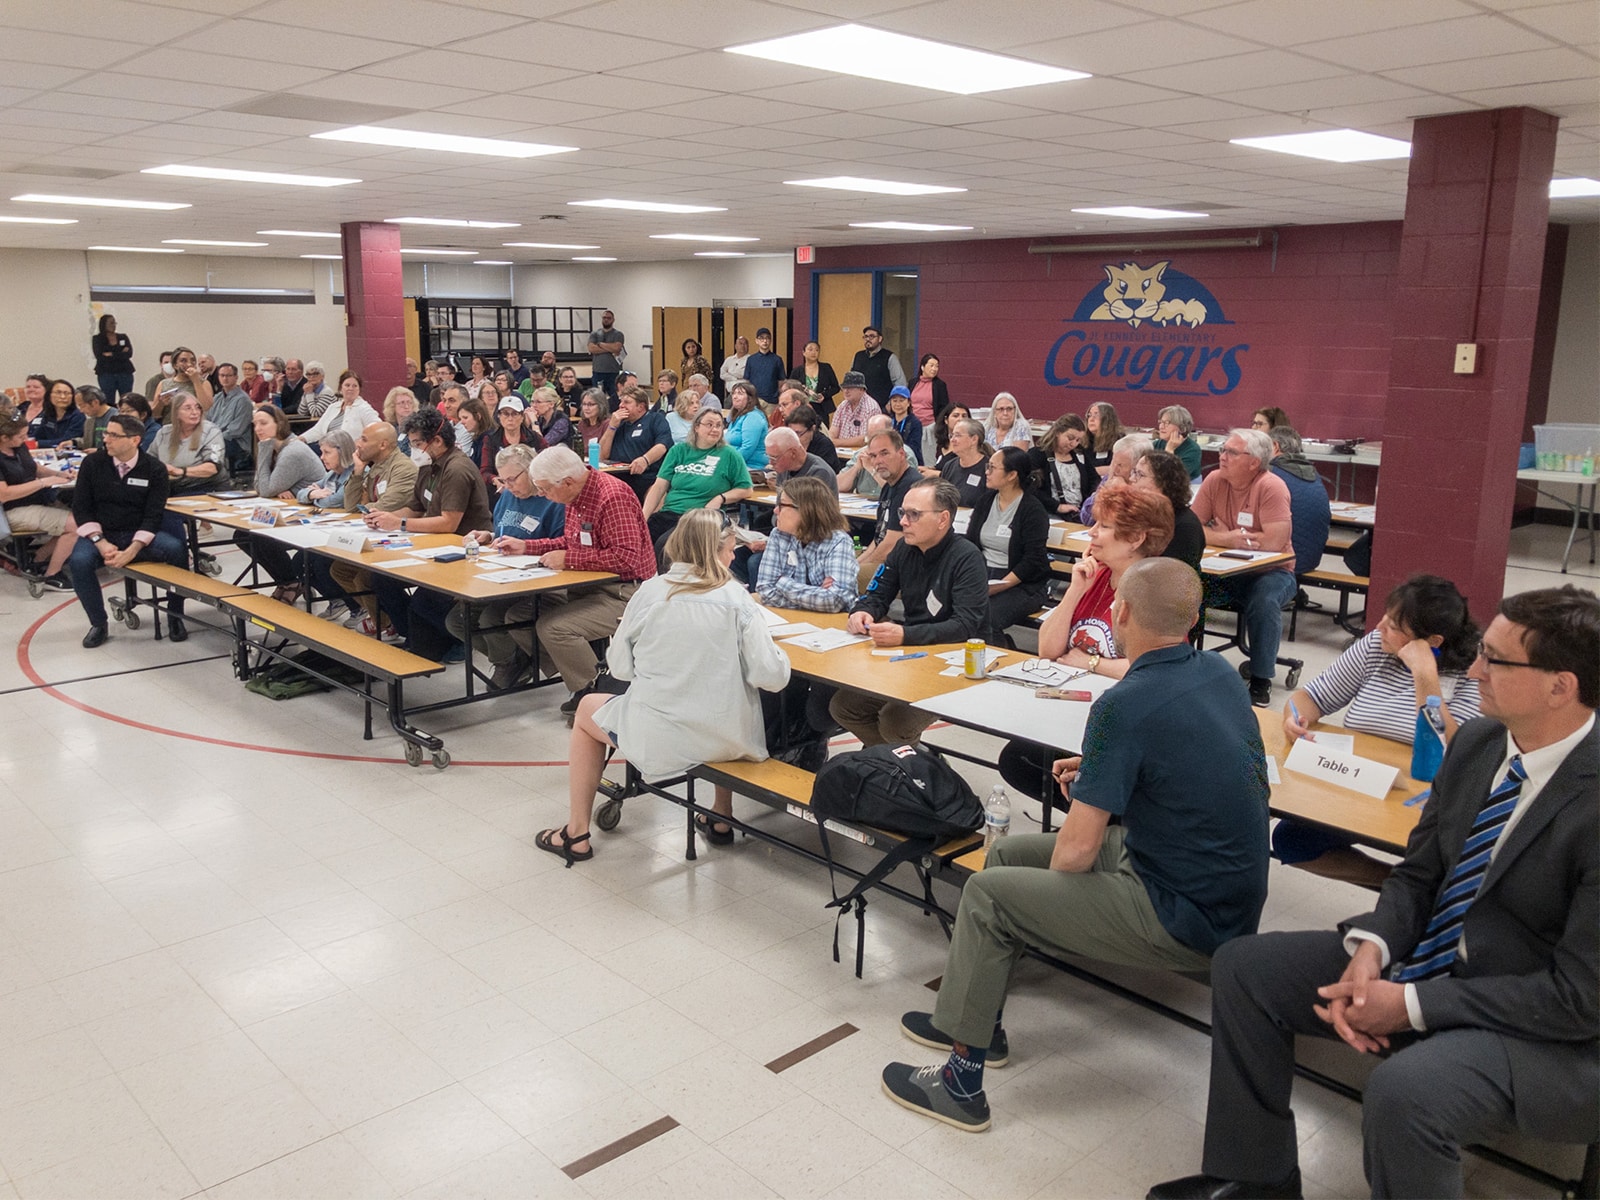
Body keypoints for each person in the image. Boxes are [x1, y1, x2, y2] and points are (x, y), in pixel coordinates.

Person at [1150, 587, 1598, 1200]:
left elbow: (1579, 998)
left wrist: (1411, 1005)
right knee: (1244, 968)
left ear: (1560, 686)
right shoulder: (1477, 744)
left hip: (1546, 1026)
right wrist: (1374, 946)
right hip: (1437, 964)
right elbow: (1419, 874)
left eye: (1496, 660)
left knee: (1406, 1093)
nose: (1473, 670)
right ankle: (1256, 1177)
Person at [887, 558, 1270, 1133]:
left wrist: (1097, 780)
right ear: (1194, 619)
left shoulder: (1122, 704)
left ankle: (962, 1084)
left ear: (1120, 612)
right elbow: (1184, 763)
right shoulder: (1216, 673)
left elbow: (1074, 856)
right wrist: (1098, 771)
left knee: (990, 892)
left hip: (1182, 911)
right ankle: (977, 1019)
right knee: (1009, 854)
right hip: (1216, 883)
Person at [538, 509, 791, 865]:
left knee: (586, 711)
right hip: (729, 740)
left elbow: (621, 669)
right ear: (712, 551)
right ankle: (720, 814)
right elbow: (772, 678)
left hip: (661, 741)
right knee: (722, 698)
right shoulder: (738, 600)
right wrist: (776, 651)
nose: (734, 556)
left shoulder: (650, 593)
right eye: (730, 549)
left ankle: (576, 831)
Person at [1273, 575, 1483, 888]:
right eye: (1385, 616)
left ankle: (1417, 891)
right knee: (1292, 839)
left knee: (1444, 856)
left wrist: (1424, 676)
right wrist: (1294, 718)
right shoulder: (1376, 645)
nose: (1380, 626)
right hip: (1361, 779)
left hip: (1426, 794)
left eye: (1395, 626)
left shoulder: (1474, 671)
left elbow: (1454, 747)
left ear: (1433, 642)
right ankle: (1399, 886)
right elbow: (1311, 698)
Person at [995, 487, 1175, 800]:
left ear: (1136, 539)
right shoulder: (1098, 577)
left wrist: (1091, 663)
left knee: (1026, 761)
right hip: (1077, 708)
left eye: (1103, 526)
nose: (1091, 532)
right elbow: (1048, 650)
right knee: (1017, 759)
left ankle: (1103, 825)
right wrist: (1076, 589)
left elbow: (1156, 669)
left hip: (1125, 721)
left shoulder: (1155, 590)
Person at [498, 446, 657, 719]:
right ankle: (582, 675)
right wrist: (527, 546)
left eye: (546, 489)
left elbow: (627, 559)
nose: (543, 496)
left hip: (626, 592)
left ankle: (599, 695)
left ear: (568, 481)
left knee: (553, 628)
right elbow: (570, 542)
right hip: (586, 586)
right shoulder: (574, 495)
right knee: (518, 615)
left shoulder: (612, 497)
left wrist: (569, 559)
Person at [830, 479, 990, 746]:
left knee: (896, 722)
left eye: (914, 514)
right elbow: (876, 594)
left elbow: (966, 626)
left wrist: (904, 634)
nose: (903, 521)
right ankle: (902, 764)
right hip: (912, 655)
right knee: (844, 706)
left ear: (943, 519)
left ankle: (907, 770)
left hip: (956, 660)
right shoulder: (904, 549)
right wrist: (862, 612)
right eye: (902, 513)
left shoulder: (967, 558)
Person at [365, 409, 494, 661]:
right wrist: (382, 516)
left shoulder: (456, 468)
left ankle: (454, 643)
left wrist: (399, 523)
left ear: (436, 440)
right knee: (381, 579)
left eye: (417, 443)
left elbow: (448, 522)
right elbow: (415, 508)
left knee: (425, 600)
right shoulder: (427, 465)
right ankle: (414, 638)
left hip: (463, 549)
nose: (413, 449)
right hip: (431, 543)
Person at [446, 443, 567, 690]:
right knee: (457, 620)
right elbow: (503, 531)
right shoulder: (508, 496)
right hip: (501, 573)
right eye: (503, 480)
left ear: (532, 471)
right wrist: (488, 536)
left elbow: (562, 546)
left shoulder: (553, 501)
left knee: (492, 619)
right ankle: (515, 658)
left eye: (513, 479)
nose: (508, 486)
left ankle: (509, 662)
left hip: (538, 579)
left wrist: (525, 546)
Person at [1193, 428, 1297, 707]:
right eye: (1222, 450)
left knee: (1263, 601)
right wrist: (1227, 537)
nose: (1222, 457)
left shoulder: (1271, 486)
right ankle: (1186, 664)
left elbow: (1275, 543)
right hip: (1226, 569)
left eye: (1231, 452)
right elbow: (1192, 529)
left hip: (1274, 572)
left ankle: (1261, 680)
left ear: (1254, 462)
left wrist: (1216, 534)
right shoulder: (1215, 480)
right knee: (1186, 587)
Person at [68, 413, 190, 647]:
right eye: (106, 433)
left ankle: (175, 616)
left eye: (114, 435)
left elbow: (154, 515)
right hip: (102, 534)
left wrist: (133, 549)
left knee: (176, 549)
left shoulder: (154, 469)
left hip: (139, 535)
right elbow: (81, 509)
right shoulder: (93, 464)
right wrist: (100, 541)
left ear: (135, 440)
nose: (106, 440)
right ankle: (98, 623)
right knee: (79, 562)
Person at [321, 422, 418, 636]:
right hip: (373, 533)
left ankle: (391, 622)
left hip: (400, 537)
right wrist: (357, 472)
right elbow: (351, 505)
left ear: (383, 444)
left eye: (364, 439)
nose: (358, 443)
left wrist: (364, 507)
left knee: (364, 576)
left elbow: (381, 507)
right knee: (339, 569)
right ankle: (383, 619)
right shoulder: (372, 465)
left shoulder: (402, 468)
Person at [964, 445, 1050, 645]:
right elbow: (970, 543)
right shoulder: (985, 501)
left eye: (992, 468)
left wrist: (999, 586)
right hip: (984, 576)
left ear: (1012, 475)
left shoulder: (1032, 510)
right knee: (953, 607)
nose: (986, 472)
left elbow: (1032, 561)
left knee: (986, 617)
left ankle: (1001, 653)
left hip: (1020, 583)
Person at [640, 408, 752, 546]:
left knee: (666, 545)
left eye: (718, 425)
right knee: (639, 539)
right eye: (709, 424)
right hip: (670, 513)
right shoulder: (678, 451)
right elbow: (658, 487)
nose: (715, 429)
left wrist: (720, 498)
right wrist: (643, 518)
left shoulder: (729, 454)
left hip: (700, 518)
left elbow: (746, 489)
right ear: (696, 427)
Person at [0, 412, 77, 586]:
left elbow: (33, 467)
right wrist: (43, 483)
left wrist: (59, 474)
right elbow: (4, 494)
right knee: (76, 526)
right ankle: (52, 574)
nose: (25, 439)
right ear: (4, 438)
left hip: (35, 500)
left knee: (84, 518)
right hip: (12, 509)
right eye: (21, 436)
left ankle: (37, 558)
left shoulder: (17, 447)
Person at [855, 428, 919, 590]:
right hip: (886, 557)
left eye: (885, 453)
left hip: (907, 565)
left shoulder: (910, 487)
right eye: (873, 456)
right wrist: (857, 563)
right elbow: (878, 540)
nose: (878, 461)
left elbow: (890, 545)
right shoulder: (889, 486)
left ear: (902, 454)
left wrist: (857, 569)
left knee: (851, 578)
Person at [1268, 424, 1333, 584]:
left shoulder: (1272, 474)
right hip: (1311, 558)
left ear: (1275, 446)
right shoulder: (1313, 473)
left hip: (1285, 561)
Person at [1132, 448, 1205, 573]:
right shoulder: (1139, 513)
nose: (1132, 479)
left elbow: (1168, 576)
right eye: (1134, 472)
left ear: (1163, 483)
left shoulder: (1185, 525)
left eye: (1140, 475)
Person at [600, 386, 674, 502]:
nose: (621, 406)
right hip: (619, 478)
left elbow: (662, 445)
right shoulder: (619, 425)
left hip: (648, 477)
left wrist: (645, 460)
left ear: (641, 407)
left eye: (627, 402)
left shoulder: (655, 419)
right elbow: (601, 456)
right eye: (621, 402)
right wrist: (611, 426)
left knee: (656, 492)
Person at [155, 394, 228, 496]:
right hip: (169, 487)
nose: (195, 412)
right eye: (188, 408)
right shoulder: (163, 433)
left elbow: (213, 468)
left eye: (197, 407)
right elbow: (149, 461)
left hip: (203, 487)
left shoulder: (211, 431)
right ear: (176, 413)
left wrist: (180, 471)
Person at [249, 405, 323, 501]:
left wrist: (263, 451)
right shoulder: (275, 448)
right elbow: (258, 486)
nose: (257, 429)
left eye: (263, 423)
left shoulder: (292, 452)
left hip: (317, 505)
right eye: (255, 424)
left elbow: (265, 492)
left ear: (279, 424)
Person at [1029, 413, 1093, 520]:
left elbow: (1093, 479)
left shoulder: (1080, 453)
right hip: (1049, 510)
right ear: (1058, 432)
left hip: (1079, 511)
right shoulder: (1037, 455)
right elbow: (1031, 489)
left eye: (1078, 440)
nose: (1073, 444)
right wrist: (1057, 506)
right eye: (1070, 438)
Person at [926, 418, 994, 508]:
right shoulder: (949, 466)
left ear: (974, 439)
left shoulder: (989, 468)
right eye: (952, 435)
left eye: (957, 435)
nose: (952, 440)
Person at [303, 371, 380, 446]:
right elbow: (318, 430)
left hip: (349, 453)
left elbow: (378, 428)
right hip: (327, 448)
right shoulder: (333, 407)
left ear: (359, 389)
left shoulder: (363, 408)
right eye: (347, 385)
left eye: (355, 386)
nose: (350, 388)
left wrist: (361, 443)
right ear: (340, 388)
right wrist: (301, 439)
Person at [479, 396, 543, 486]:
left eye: (515, 413)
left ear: (522, 417)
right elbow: (485, 472)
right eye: (505, 414)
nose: (510, 418)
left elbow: (546, 461)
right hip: (502, 489)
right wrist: (494, 479)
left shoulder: (534, 438)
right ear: (499, 416)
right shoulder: (490, 440)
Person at [209, 363, 253, 475]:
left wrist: (213, 439)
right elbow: (208, 420)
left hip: (236, 443)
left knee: (210, 447)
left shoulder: (243, 400)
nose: (225, 378)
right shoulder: (217, 398)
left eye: (228, 375)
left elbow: (236, 430)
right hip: (218, 438)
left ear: (236, 377)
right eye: (222, 375)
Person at [763, 426, 836, 491]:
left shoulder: (819, 472)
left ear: (793, 453)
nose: (771, 462)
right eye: (769, 457)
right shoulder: (784, 469)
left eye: (774, 458)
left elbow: (809, 505)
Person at [909, 352, 949, 466]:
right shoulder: (913, 382)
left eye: (937, 366)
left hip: (929, 427)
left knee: (928, 459)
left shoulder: (940, 385)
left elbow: (944, 408)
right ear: (922, 367)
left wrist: (936, 425)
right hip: (913, 425)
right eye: (931, 365)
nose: (934, 369)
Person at [850, 325, 907, 405]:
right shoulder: (858, 356)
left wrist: (891, 403)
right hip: (859, 406)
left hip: (881, 407)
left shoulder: (889, 357)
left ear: (880, 339)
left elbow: (900, 384)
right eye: (866, 337)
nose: (868, 339)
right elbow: (850, 381)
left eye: (872, 336)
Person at [724, 380, 771, 471]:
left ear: (750, 398)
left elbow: (748, 447)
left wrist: (729, 463)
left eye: (740, 394)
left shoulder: (753, 417)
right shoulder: (739, 415)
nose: (735, 397)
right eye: (733, 393)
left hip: (751, 466)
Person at [787, 340, 839, 420]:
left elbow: (836, 387)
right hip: (803, 407)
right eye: (810, 349)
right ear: (803, 352)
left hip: (822, 407)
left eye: (817, 350)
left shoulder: (826, 368)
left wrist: (824, 395)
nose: (814, 352)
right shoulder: (797, 371)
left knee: (822, 430)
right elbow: (790, 389)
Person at [829, 370, 882, 449]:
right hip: (839, 453)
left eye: (850, 388)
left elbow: (865, 439)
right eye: (844, 388)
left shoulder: (871, 408)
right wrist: (831, 441)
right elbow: (832, 432)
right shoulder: (842, 406)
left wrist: (835, 442)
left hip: (861, 454)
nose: (846, 391)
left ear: (861, 389)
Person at [28, 379, 85, 449]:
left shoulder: (78, 416)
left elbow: (66, 440)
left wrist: (39, 443)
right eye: (58, 392)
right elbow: (38, 435)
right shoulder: (48, 414)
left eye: (67, 393)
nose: (63, 397)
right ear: (49, 395)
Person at [785, 403, 840, 472]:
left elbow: (821, 474)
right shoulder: (789, 442)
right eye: (792, 433)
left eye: (798, 433)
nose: (795, 437)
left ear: (812, 428)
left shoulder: (824, 445)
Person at [91, 314, 135, 401]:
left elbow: (129, 354)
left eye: (115, 323)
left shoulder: (123, 337)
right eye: (111, 323)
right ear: (104, 324)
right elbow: (100, 356)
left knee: (126, 399)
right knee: (108, 400)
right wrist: (121, 353)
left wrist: (111, 354)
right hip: (106, 373)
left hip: (124, 373)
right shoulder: (98, 339)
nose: (114, 325)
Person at [1156, 404, 1202, 479]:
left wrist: (1169, 450)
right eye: (1160, 422)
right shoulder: (1158, 444)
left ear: (1182, 428)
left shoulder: (1193, 450)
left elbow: (1174, 477)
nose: (1161, 426)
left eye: (1167, 423)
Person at [586, 310, 625, 399]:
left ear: (613, 320)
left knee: (615, 397)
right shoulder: (595, 334)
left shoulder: (618, 334)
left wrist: (601, 344)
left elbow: (617, 348)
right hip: (598, 372)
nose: (606, 320)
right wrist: (610, 349)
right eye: (604, 318)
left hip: (613, 372)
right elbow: (591, 348)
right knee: (598, 398)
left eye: (609, 318)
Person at [742, 327, 785, 403]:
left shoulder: (777, 360)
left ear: (771, 341)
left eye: (767, 338)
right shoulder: (751, 359)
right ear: (756, 341)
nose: (765, 341)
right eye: (761, 338)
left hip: (772, 401)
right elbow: (747, 381)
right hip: (754, 400)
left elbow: (781, 382)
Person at [885, 385, 924, 465]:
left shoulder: (915, 423)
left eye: (901, 401)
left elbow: (914, 447)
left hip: (910, 461)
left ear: (909, 403)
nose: (898, 404)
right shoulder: (887, 421)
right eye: (894, 401)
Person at [1083, 401, 1123, 478]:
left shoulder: (1119, 441)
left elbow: (1120, 468)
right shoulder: (1083, 441)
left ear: (1108, 419)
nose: (1091, 419)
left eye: (1096, 415)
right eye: (1089, 415)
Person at [528, 385, 573, 451]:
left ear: (551, 404)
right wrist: (526, 422)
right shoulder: (541, 419)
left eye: (538, 402)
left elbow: (543, 445)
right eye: (532, 401)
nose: (534, 405)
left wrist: (534, 422)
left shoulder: (561, 421)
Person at [74, 384, 113, 451]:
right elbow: (87, 442)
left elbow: (121, 445)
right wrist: (73, 442)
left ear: (95, 402)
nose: (81, 410)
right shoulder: (89, 422)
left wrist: (99, 451)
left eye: (82, 406)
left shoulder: (117, 418)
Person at [574, 387, 608, 452]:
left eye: (590, 404)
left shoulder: (607, 424)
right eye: (584, 404)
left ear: (601, 406)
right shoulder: (582, 424)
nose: (586, 408)